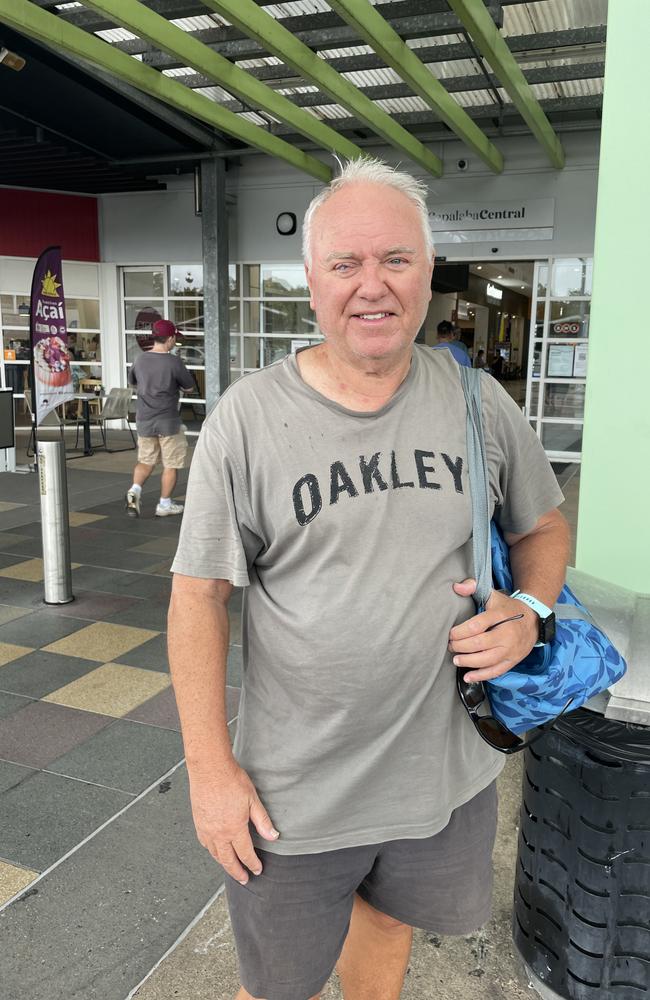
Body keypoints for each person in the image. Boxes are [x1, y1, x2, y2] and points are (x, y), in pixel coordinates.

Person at [168, 158, 569, 1000]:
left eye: (395, 259)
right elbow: (198, 595)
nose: (372, 285)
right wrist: (209, 770)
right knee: (277, 985)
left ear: (428, 272)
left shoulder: (478, 402)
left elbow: (541, 526)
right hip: (295, 791)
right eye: (346, 264)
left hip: (443, 778)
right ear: (312, 281)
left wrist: (531, 608)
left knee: (388, 926)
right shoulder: (247, 419)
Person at [125, 318, 195, 518]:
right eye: (175, 338)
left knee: (146, 461)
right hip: (168, 420)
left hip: (144, 419)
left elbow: (133, 383)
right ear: (170, 339)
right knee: (170, 464)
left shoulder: (140, 360)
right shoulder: (174, 362)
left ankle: (135, 491)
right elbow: (189, 387)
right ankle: (164, 504)